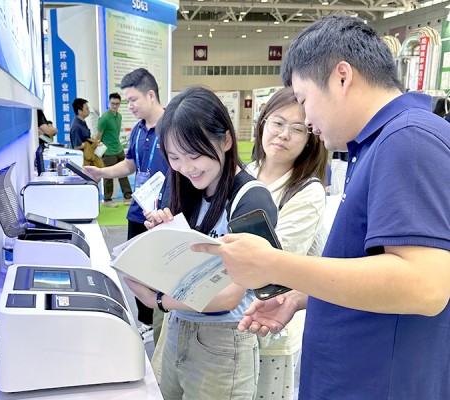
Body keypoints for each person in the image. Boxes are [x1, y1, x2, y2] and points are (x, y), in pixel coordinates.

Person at [193, 15, 450, 400]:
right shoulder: (381, 142)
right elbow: (374, 267)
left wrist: (273, 264)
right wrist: (303, 295)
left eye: (304, 100)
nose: (308, 121)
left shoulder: (408, 139)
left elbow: (424, 286)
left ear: (342, 77)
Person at [125, 86, 277, 400]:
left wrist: (158, 301)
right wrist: (162, 237)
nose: (187, 167)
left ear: (226, 140)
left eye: (195, 155)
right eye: (175, 157)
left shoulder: (251, 199)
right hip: (178, 329)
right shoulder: (185, 186)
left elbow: (229, 296)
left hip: (223, 342)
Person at [246, 86, 328, 400]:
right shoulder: (245, 173)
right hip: (228, 321)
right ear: (263, 123)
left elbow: (274, 259)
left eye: (297, 129)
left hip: (272, 327)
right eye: (278, 123)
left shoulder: (308, 191)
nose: (283, 134)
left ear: (310, 139)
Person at [84, 68, 170, 330]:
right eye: (127, 101)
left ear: (151, 95)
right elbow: (130, 164)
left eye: (133, 100)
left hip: (165, 214)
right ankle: (146, 322)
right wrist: (102, 172)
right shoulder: (138, 130)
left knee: (162, 270)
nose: (129, 106)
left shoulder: (173, 127)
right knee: (137, 269)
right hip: (138, 211)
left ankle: (163, 322)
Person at [97, 93, 133, 208]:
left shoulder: (119, 116)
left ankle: (127, 197)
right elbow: (98, 137)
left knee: (124, 173)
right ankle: (107, 199)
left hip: (119, 149)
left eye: (117, 104)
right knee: (108, 176)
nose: (115, 106)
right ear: (109, 103)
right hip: (108, 152)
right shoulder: (104, 118)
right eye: (113, 103)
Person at [70, 98, 103, 167]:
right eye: (86, 109)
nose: (89, 110)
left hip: (88, 158)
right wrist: (88, 144)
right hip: (83, 161)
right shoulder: (76, 127)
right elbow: (76, 147)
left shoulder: (82, 122)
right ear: (80, 111)